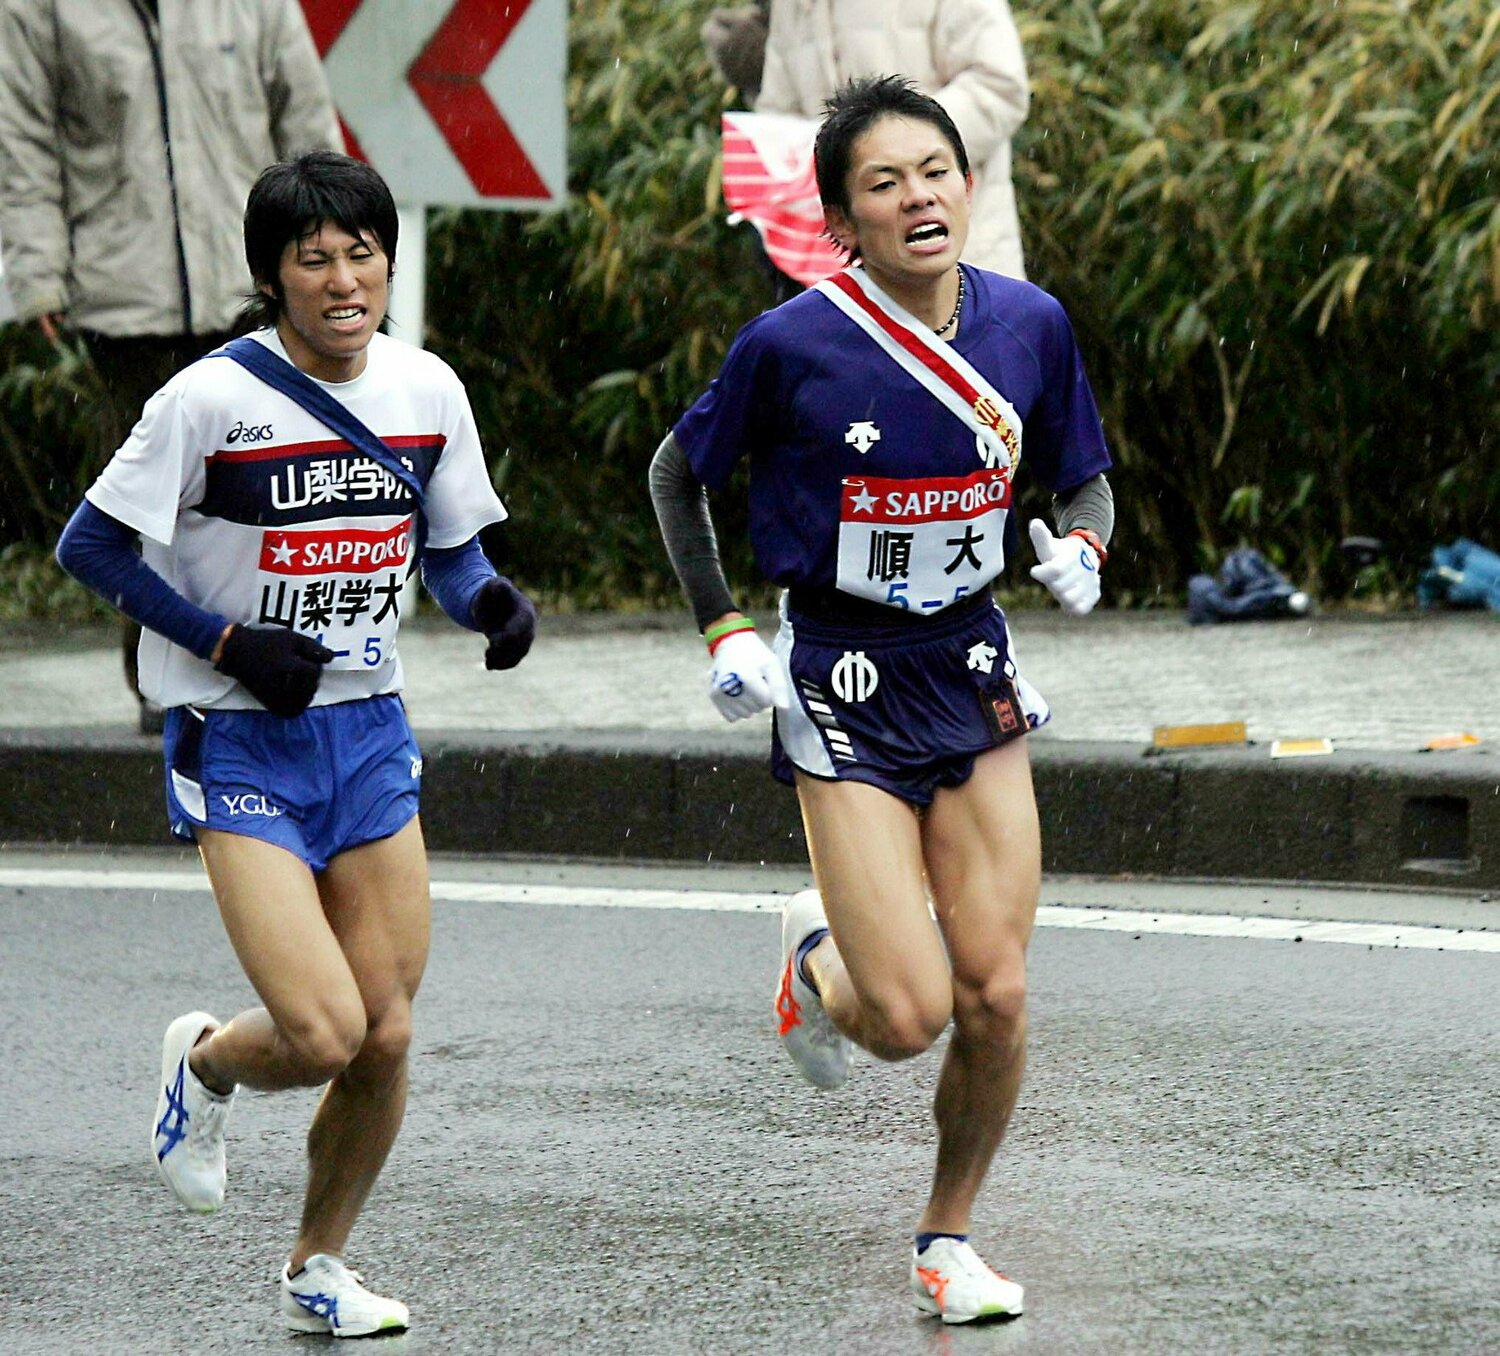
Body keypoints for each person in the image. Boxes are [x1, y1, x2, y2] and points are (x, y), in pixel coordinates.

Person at [649, 75, 1113, 1324]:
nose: (919, 196)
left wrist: (1083, 549)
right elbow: (674, 474)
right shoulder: (791, 343)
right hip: (842, 682)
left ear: (969, 186)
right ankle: (818, 972)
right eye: (883, 182)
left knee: (998, 993)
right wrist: (726, 627)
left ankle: (947, 1239)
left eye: (936, 172)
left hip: (969, 665)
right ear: (843, 221)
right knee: (906, 1019)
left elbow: (1084, 481)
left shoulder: (1031, 324)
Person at [55, 150, 537, 1338]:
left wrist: (489, 605)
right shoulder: (207, 401)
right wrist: (225, 638)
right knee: (320, 1031)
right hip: (237, 739)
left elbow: (451, 548)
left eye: (362, 253)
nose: (343, 278)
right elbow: (92, 548)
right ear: (273, 279)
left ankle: (318, 1264)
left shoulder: (427, 390)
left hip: (367, 733)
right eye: (313, 259)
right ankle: (207, 1065)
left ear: (388, 262)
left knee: (385, 1030)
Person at [0, 0, 343, 731]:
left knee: (271, 494)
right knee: (149, 512)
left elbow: (305, 121)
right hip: (123, 295)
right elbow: (22, 138)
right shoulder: (38, 10)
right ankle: (167, 689)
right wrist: (37, 272)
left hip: (248, 288)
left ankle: (287, 664)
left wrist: (325, 251)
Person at [754, 0, 1031, 283]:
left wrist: (893, 149)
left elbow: (999, 88)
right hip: (841, 267)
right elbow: (778, 115)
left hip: (964, 256)